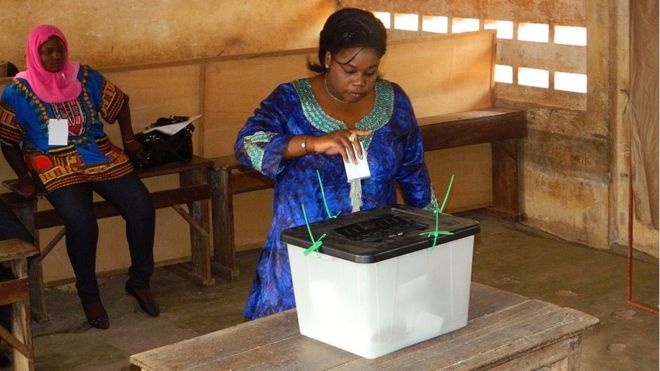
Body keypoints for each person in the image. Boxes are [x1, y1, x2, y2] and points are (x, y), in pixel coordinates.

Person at [234, 8, 432, 320]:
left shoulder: (394, 101)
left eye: (371, 72)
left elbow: (412, 170)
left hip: (375, 248)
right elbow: (247, 146)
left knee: (370, 331)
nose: (360, 82)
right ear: (328, 58)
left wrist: (433, 231)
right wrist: (309, 143)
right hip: (306, 251)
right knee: (296, 341)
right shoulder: (291, 100)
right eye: (349, 70)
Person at [0, 25, 159, 330]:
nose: (56, 56)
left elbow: (120, 102)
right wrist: (23, 176)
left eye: (60, 49)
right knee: (82, 223)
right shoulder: (18, 90)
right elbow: (7, 139)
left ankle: (139, 280)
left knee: (141, 208)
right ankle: (89, 296)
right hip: (52, 162)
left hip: (98, 153)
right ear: (34, 53)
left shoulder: (85, 76)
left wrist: (128, 138)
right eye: (48, 51)